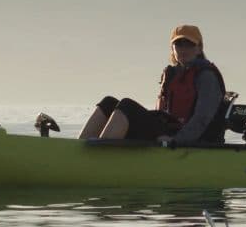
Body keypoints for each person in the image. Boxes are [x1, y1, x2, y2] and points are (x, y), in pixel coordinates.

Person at [79, 24, 228, 145]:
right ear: (172, 49)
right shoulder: (173, 74)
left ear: (199, 48)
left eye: (189, 44)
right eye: (178, 44)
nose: (183, 49)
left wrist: (176, 141)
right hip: (167, 129)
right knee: (108, 102)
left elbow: (202, 118)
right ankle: (78, 150)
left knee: (127, 106)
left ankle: (100, 159)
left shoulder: (206, 76)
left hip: (186, 138)